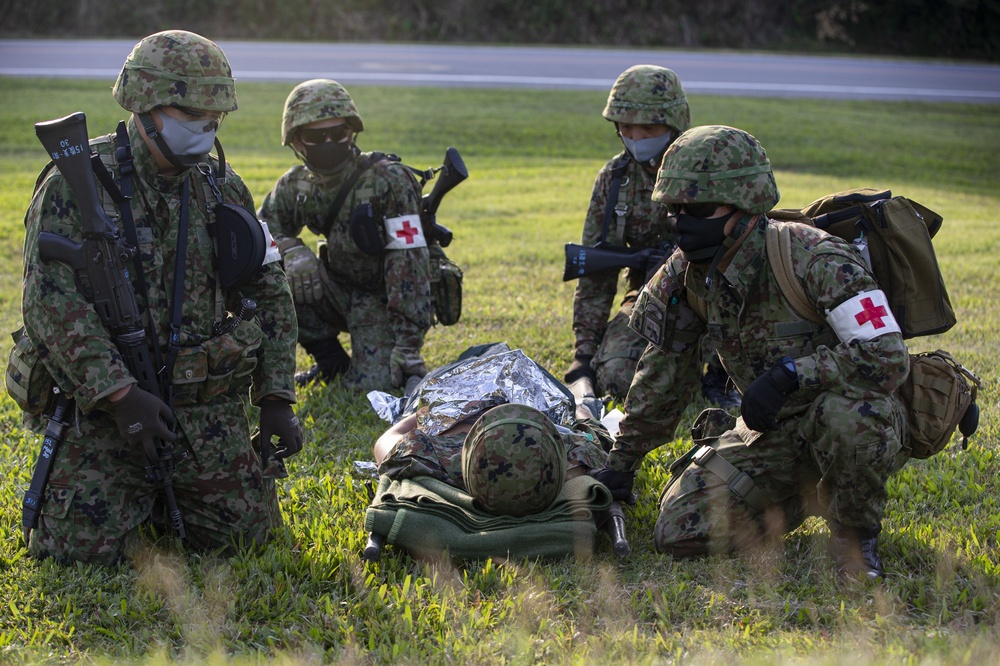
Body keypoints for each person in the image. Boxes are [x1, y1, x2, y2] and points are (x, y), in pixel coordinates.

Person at [12, 30, 301, 565]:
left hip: (204, 410)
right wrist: (120, 395)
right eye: (189, 112)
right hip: (108, 413)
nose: (204, 128)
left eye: (214, 117)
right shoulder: (76, 184)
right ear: (143, 108)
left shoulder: (222, 187)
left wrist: (276, 396)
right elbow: (49, 303)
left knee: (249, 541)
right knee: (73, 553)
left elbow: (270, 290)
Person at [593, 125, 912, 580]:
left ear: (744, 204)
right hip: (772, 432)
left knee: (850, 419)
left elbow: (887, 357)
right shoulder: (688, 273)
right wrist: (622, 465)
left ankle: (855, 536)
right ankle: (808, 494)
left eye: (698, 208)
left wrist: (791, 375)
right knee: (679, 530)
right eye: (674, 209)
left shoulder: (816, 259)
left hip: (849, 413)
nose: (683, 222)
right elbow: (664, 372)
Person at [565, 65, 739, 407]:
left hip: (717, 299)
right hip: (650, 300)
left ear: (674, 123)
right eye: (626, 127)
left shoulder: (713, 169)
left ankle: (719, 373)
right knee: (616, 376)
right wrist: (583, 357)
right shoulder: (615, 181)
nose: (636, 137)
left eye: (648, 127)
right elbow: (596, 274)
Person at [365, 343, 618, 560]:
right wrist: (576, 409)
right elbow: (588, 425)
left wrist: (419, 415)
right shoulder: (572, 455)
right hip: (530, 384)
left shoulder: (445, 453)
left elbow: (387, 442)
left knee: (472, 357)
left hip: (457, 380)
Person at [258, 79, 433, 390]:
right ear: (296, 141)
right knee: (272, 273)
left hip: (379, 299)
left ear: (352, 132)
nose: (328, 141)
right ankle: (331, 363)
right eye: (315, 135)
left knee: (374, 387)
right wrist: (291, 250)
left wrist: (407, 347)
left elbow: (410, 265)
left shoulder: (387, 182)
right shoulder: (296, 185)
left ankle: (377, 356)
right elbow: (262, 226)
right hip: (334, 287)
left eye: (338, 133)